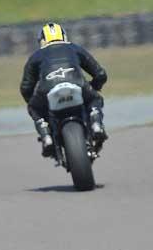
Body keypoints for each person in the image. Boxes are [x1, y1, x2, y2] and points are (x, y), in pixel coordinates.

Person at [20, 22, 108, 156]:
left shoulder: (35, 56)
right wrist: (94, 87)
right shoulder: (75, 48)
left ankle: (46, 136)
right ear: (64, 37)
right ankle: (96, 123)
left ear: (42, 41)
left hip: (47, 90)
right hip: (78, 85)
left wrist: (34, 103)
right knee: (94, 99)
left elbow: (26, 88)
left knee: (34, 108)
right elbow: (100, 74)